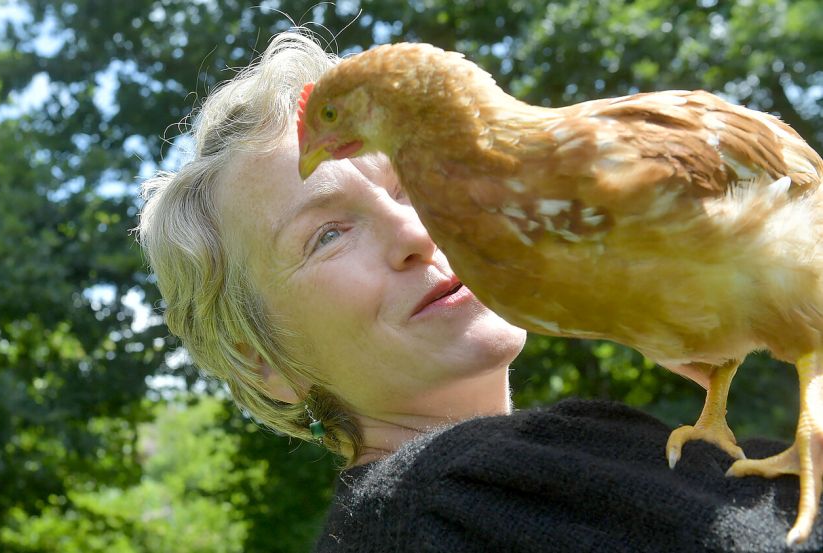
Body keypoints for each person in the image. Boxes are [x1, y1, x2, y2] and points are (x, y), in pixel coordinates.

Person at [136, 30, 823, 552]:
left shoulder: (560, 457)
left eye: (409, 188)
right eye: (328, 234)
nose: (415, 232)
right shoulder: (447, 507)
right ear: (262, 360)